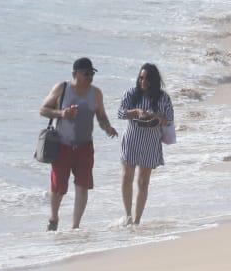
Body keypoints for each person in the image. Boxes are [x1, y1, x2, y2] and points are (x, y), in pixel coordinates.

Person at [38, 57, 117, 231]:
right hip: (62, 145)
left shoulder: (96, 93)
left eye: (92, 73)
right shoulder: (62, 88)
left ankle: (75, 227)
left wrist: (107, 127)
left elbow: (101, 116)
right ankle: (53, 219)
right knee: (58, 187)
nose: (90, 77)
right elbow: (43, 109)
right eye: (86, 73)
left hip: (85, 146)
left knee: (82, 185)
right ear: (75, 73)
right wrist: (62, 113)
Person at [117, 63, 173, 227]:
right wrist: (136, 112)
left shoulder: (163, 98)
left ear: (154, 81)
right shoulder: (131, 93)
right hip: (132, 139)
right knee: (127, 177)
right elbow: (120, 113)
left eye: (147, 79)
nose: (143, 82)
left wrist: (155, 116)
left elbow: (169, 118)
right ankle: (127, 216)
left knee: (143, 182)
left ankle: (137, 221)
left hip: (151, 141)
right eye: (141, 78)